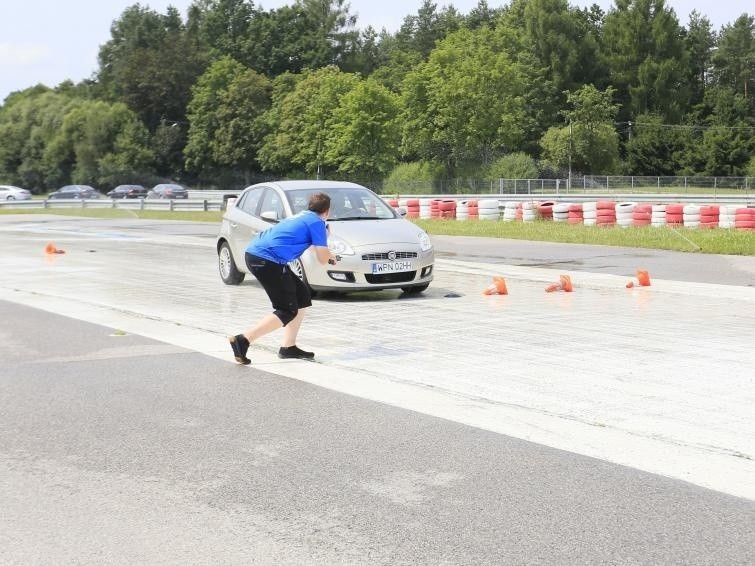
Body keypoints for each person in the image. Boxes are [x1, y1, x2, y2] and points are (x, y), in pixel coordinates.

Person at [229, 192, 337, 364]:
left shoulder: (301, 217)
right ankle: (243, 340)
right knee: (287, 310)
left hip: (258, 255)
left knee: (302, 296)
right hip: (267, 261)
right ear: (327, 211)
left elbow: (313, 249)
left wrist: (329, 253)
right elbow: (322, 259)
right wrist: (327, 240)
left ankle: (288, 347)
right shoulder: (317, 222)